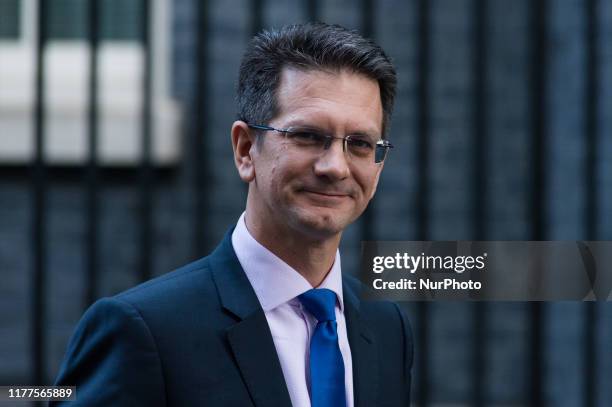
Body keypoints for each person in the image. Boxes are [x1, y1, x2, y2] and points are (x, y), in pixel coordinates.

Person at [52, 22, 413, 407]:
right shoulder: (143, 330)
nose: (335, 167)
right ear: (245, 150)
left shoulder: (387, 326)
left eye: (358, 144)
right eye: (307, 136)